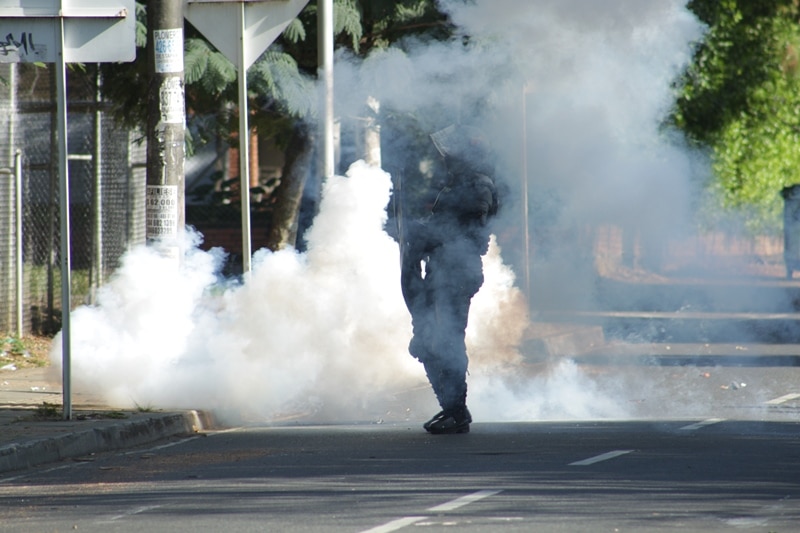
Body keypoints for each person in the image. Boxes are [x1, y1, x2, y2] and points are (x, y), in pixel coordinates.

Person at [399, 124, 499, 434]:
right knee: (425, 341)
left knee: (447, 339)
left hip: (457, 271)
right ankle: (451, 406)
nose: (446, 160)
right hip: (442, 269)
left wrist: (428, 233)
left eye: (452, 156)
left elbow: (466, 228)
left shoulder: (477, 187)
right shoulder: (458, 185)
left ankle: (457, 409)